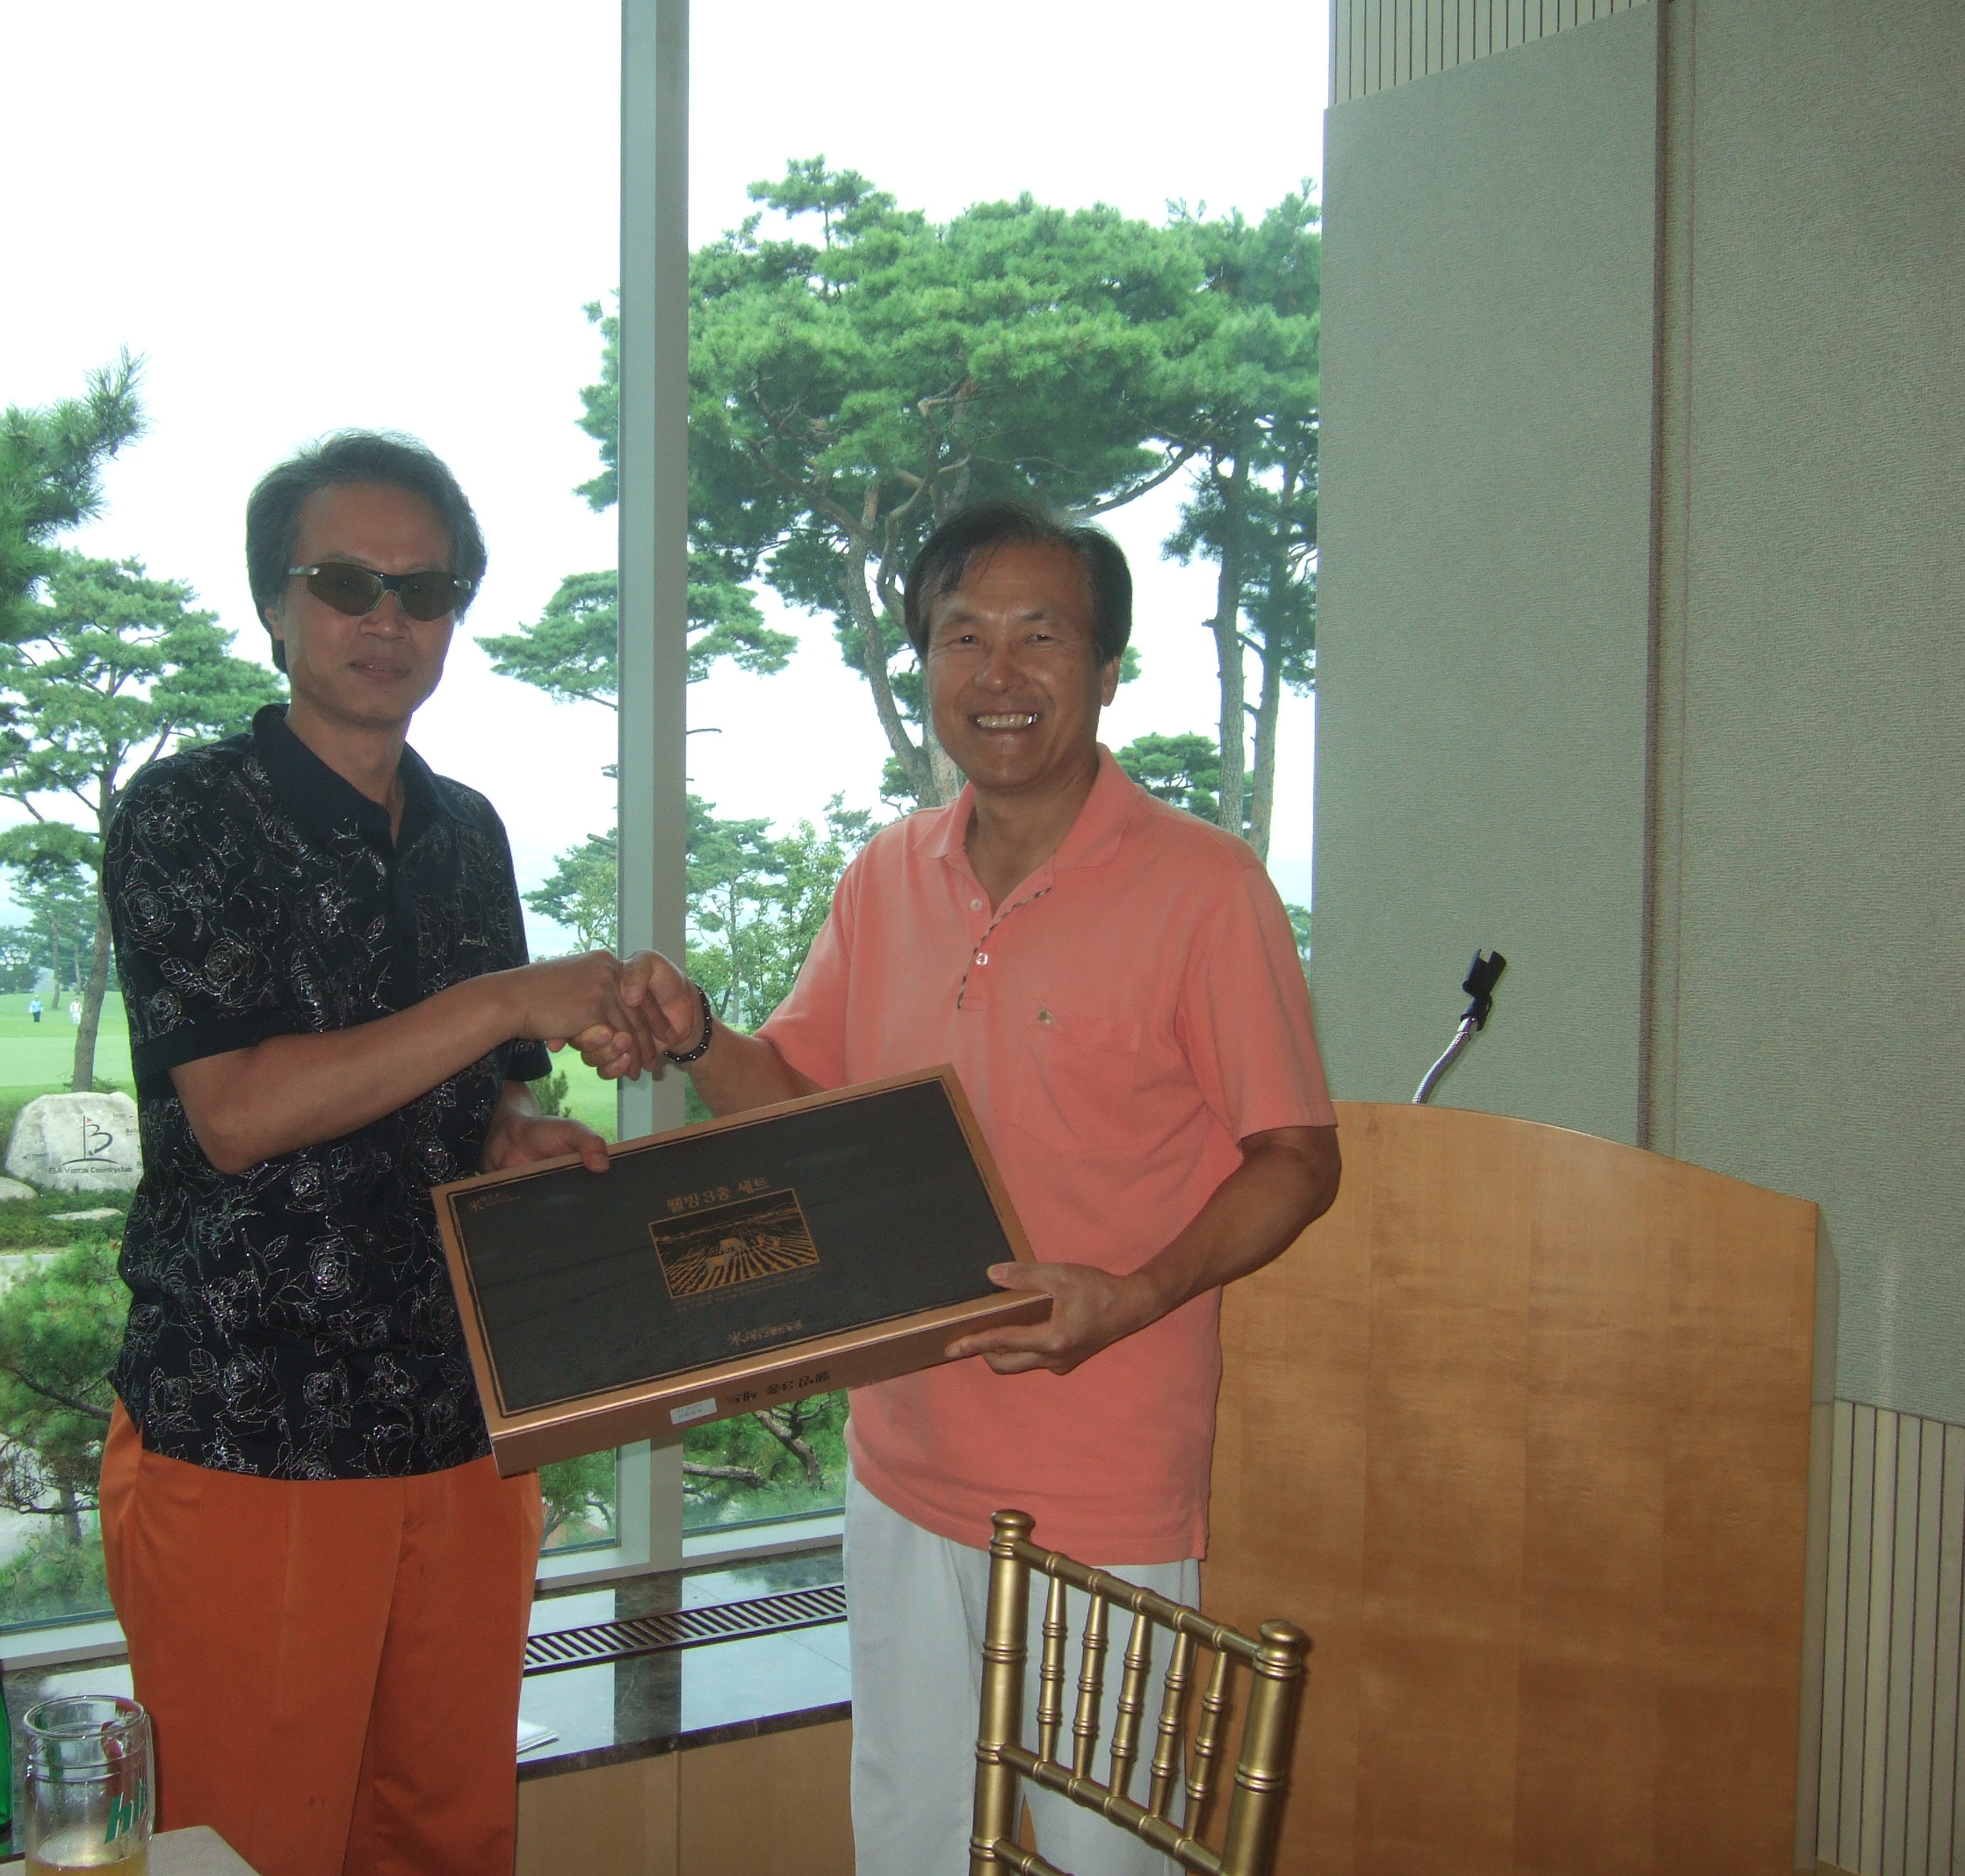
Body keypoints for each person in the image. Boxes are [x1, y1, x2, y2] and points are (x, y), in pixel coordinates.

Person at [582, 499, 1341, 1874]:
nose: (999, 674)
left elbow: (1298, 1157)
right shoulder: (888, 876)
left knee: (1107, 1859)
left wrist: (1135, 1296)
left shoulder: (1207, 889)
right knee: (912, 1843)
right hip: (903, 1467)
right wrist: (697, 1038)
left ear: (1106, 668)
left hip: (1104, 1486)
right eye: (962, 636)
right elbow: (801, 1106)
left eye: (1040, 637)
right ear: (925, 663)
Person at [95, 431, 646, 1876]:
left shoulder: (468, 834)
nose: (386, 619)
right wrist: (503, 1000)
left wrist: (524, 1149)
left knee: (448, 1831)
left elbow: (484, 1114)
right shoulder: (188, 816)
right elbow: (237, 1113)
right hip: (251, 1435)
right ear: (273, 602)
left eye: (426, 589)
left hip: (463, 1424)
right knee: (248, 1844)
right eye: (346, 583)